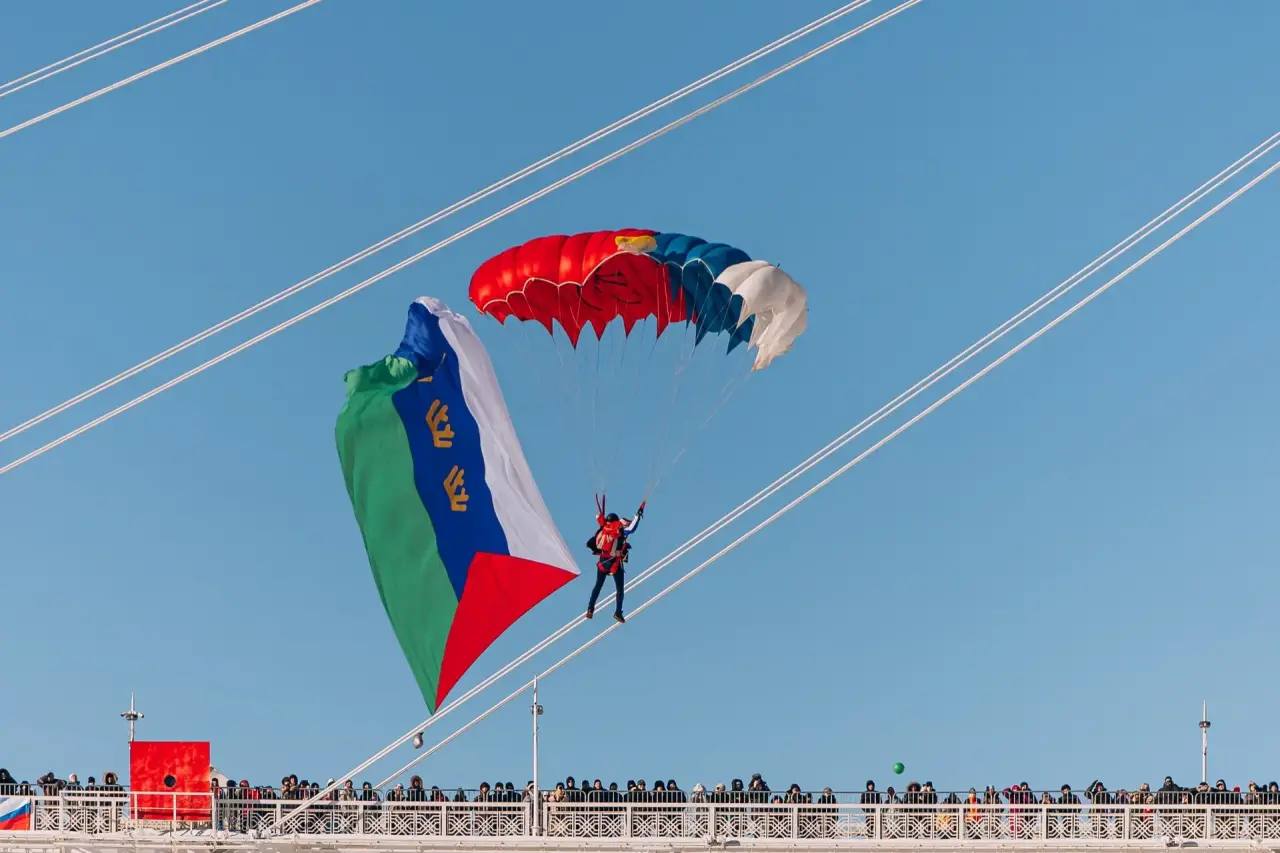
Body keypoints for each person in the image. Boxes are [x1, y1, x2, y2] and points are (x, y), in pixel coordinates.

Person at [585, 498, 644, 623]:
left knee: (597, 587)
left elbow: (599, 519)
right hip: (615, 565)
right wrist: (638, 514)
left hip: (602, 563)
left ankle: (590, 609)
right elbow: (632, 528)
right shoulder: (620, 531)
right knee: (620, 590)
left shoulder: (603, 528)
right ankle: (618, 612)